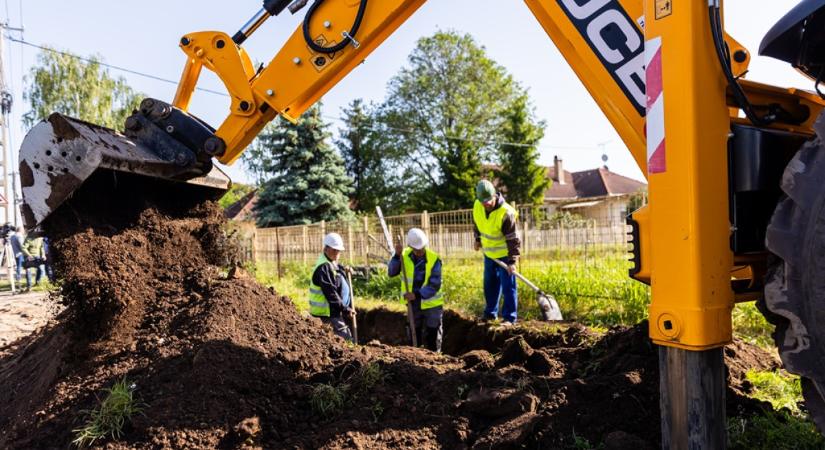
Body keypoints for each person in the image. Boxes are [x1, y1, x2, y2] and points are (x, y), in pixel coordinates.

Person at [472, 179, 521, 325]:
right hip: (489, 254)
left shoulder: (506, 213)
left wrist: (512, 261)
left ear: (495, 195)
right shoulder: (477, 206)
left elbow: (513, 239)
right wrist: (477, 238)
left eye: (488, 200)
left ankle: (509, 318)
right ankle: (490, 314)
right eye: (483, 201)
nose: (486, 204)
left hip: (505, 255)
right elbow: (477, 222)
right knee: (490, 285)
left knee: (508, 287)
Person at [388, 228, 444, 352]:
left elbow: (434, 284)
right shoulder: (403, 255)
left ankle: (435, 358)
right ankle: (415, 356)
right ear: (411, 247)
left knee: (433, 334)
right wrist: (396, 256)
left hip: (431, 304)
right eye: (417, 250)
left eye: (422, 249)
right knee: (414, 332)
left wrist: (417, 294)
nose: (420, 252)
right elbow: (392, 272)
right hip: (413, 304)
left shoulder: (434, 259)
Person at [309, 232, 356, 342]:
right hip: (327, 314)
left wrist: (344, 269)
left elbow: (336, 267)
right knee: (347, 340)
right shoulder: (324, 267)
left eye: (338, 250)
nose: (337, 253)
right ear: (325, 249)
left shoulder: (329, 261)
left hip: (333, 311)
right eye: (334, 250)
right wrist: (345, 309)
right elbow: (331, 293)